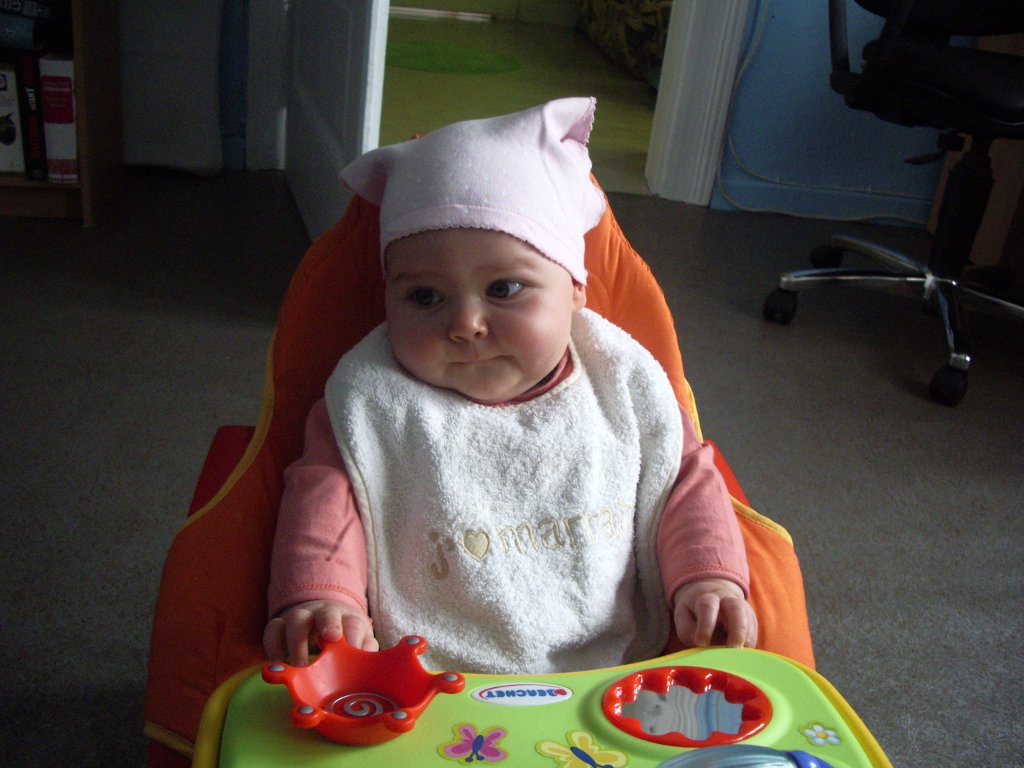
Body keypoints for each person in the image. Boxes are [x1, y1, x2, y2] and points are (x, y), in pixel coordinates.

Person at [263, 97, 757, 672]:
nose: (465, 324)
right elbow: (326, 497)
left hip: (611, 677)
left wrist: (707, 579)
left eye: (503, 289)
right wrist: (323, 596)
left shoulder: (620, 380)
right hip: (429, 683)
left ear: (575, 288)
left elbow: (683, 483)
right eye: (424, 296)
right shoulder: (375, 397)